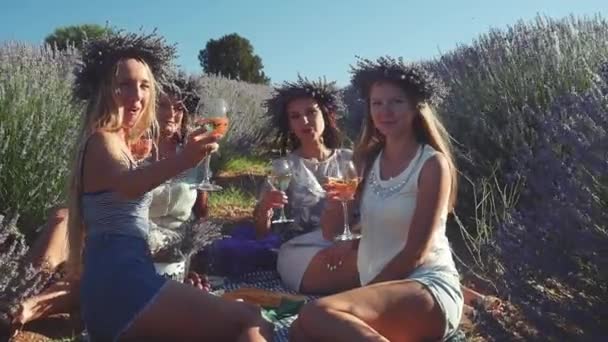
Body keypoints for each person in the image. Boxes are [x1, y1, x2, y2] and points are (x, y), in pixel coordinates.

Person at [66, 31, 271, 341]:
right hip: (123, 289)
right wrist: (185, 158)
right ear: (104, 89)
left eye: (145, 86)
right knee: (251, 320)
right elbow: (127, 186)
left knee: (243, 318)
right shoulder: (101, 140)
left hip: (120, 286)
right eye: (124, 84)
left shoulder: (119, 143)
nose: (137, 96)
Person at [0, 73, 212, 336]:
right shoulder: (127, 148)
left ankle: (23, 308)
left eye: (179, 107)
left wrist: (196, 266)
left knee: (103, 270)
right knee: (63, 218)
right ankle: (14, 294)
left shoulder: (194, 153)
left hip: (165, 242)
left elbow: (202, 214)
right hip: (122, 235)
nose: (172, 113)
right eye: (164, 105)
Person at [291, 56, 464, 341]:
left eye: (396, 101)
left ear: (415, 106)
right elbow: (331, 232)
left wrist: (361, 294)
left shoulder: (432, 165)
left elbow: (415, 253)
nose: (385, 111)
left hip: (423, 284)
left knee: (315, 315)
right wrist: (338, 203)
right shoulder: (367, 160)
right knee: (300, 332)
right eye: (377, 103)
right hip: (380, 288)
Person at [253, 76, 359, 294]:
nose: (304, 121)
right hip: (302, 251)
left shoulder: (350, 160)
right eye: (295, 116)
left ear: (326, 115)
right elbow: (262, 232)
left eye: (311, 112)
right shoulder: (283, 167)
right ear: (290, 125)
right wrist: (265, 208)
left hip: (349, 244)